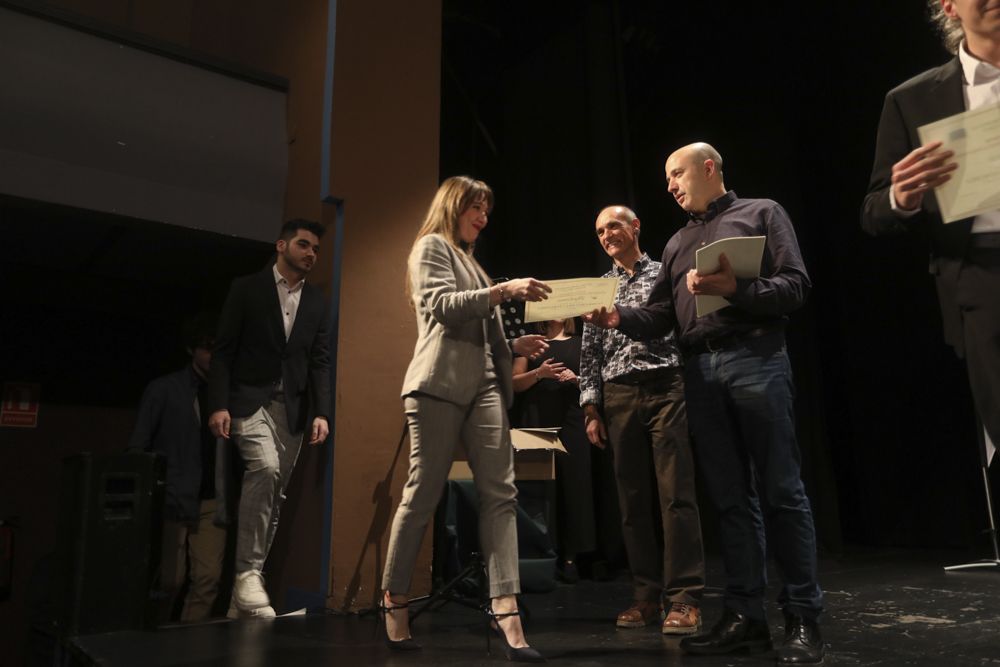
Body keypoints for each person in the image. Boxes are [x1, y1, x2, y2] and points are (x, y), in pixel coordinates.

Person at [585, 143, 824, 664]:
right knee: (731, 501)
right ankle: (745, 618)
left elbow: (796, 285)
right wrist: (617, 320)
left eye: (676, 173)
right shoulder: (676, 244)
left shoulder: (761, 213)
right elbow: (661, 317)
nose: (670, 184)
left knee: (781, 491)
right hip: (700, 371)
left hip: (756, 357)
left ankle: (802, 617)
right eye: (666, 178)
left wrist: (737, 288)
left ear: (708, 167)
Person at [380, 175, 550, 662]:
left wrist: (514, 346)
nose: (483, 216)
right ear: (453, 205)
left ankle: (505, 605)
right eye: (476, 207)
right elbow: (441, 308)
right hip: (437, 384)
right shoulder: (431, 247)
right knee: (424, 491)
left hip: (486, 387)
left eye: (487, 210)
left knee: (501, 492)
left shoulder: (473, 263)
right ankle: (394, 596)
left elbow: (480, 328)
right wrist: (504, 291)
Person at [861, 0, 1000, 451]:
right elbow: (874, 211)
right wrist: (903, 196)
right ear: (948, 6)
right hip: (983, 277)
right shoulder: (913, 99)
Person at [578, 205, 705, 635]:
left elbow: (677, 323)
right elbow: (590, 350)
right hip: (618, 395)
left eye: (613, 225)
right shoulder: (598, 287)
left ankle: (685, 598)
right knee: (632, 503)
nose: (607, 234)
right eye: (599, 231)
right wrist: (590, 406)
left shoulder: (661, 273)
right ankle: (646, 597)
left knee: (676, 495)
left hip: (665, 385)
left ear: (635, 226)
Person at [207, 219, 331, 619]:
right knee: (265, 467)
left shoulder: (316, 301)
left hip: (291, 409)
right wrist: (218, 404)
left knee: (274, 492)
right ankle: (246, 574)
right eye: (303, 244)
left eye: (315, 248)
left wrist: (321, 412)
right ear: (282, 245)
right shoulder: (246, 288)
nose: (310, 253)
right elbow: (224, 351)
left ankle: (240, 600)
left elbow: (319, 361)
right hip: (248, 400)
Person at [129, 316, 230, 623]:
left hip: (212, 498)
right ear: (192, 350)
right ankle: (152, 642)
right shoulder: (164, 389)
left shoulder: (226, 392)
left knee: (208, 581)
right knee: (169, 582)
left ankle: (189, 649)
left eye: (219, 349)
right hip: (173, 497)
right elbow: (137, 445)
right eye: (207, 349)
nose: (213, 356)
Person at [512, 318, 596, 583]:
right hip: (537, 416)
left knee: (575, 484)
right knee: (540, 488)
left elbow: (596, 382)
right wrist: (540, 374)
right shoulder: (532, 343)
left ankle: (573, 555)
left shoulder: (581, 343)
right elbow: (514, 384)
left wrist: (575, 379)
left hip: (572, 417)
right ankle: (543, 553)